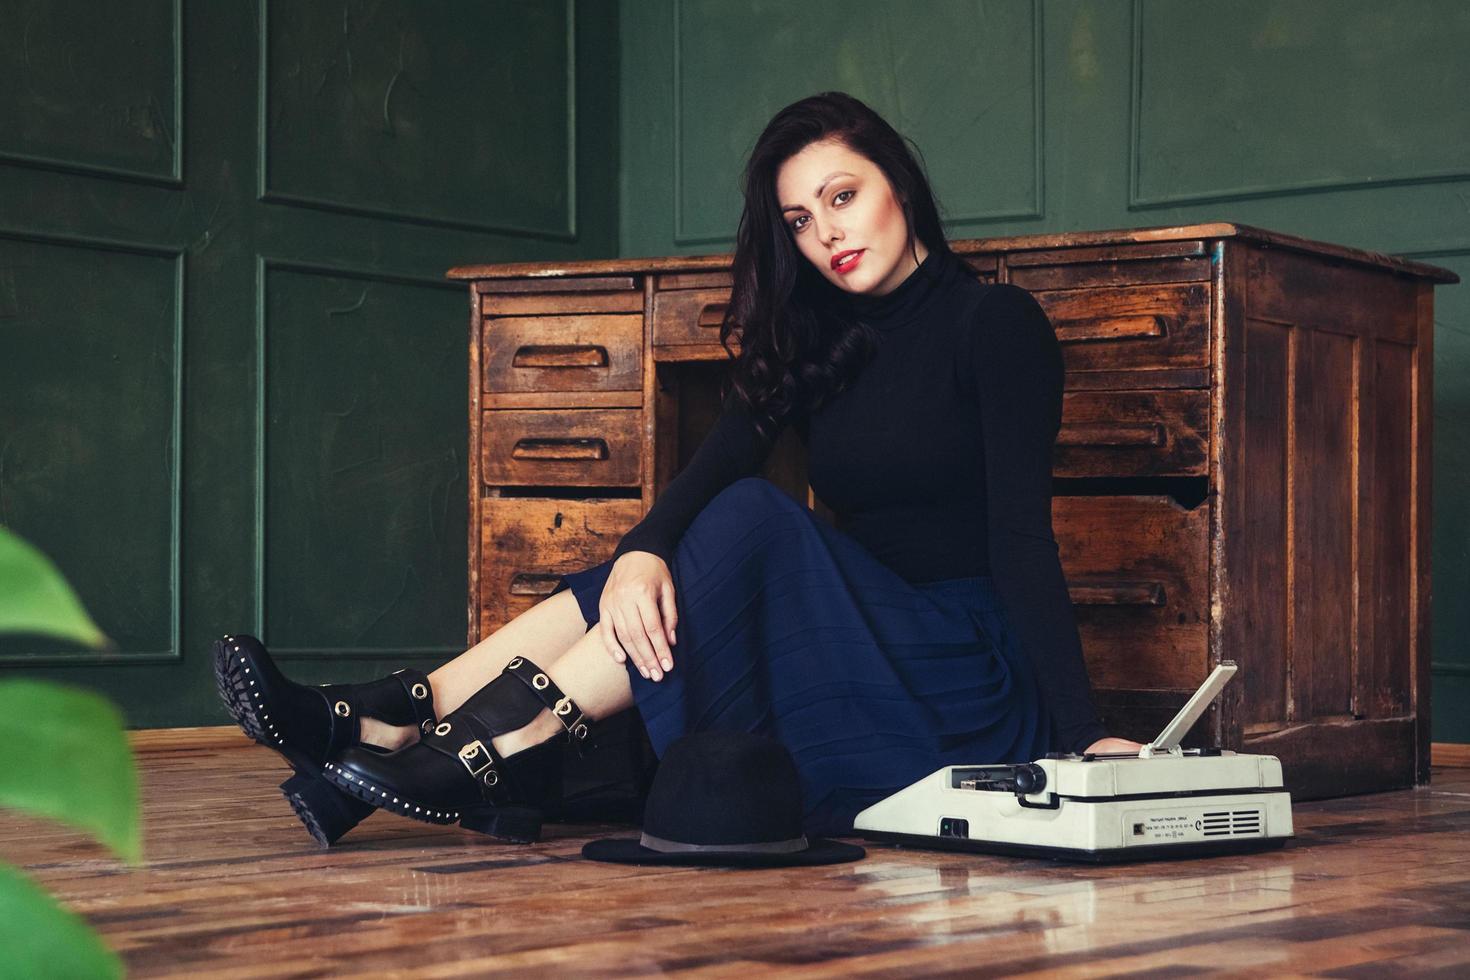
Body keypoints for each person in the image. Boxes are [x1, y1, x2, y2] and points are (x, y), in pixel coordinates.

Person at [214, 90, 1142, 849]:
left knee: (749, 521)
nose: (826, 232)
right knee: (661, 554)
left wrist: (1079, 734)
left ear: (898, 180)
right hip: (846, 644)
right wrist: (641, 554)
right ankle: (400, 726)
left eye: (843, 196)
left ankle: (480, 740)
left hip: (962, 678)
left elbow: (1022, 538)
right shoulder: (824, 340)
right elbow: (710, 469)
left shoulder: (997, 325)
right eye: (800, 218)